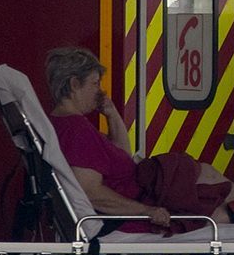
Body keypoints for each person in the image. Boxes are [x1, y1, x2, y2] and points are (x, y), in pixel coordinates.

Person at [43, 46, 170, 230]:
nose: (100, 91)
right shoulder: (76, 130)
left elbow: (122, 157)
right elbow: (91, 191)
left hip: (138, 198)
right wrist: (146, 211)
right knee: (213, 193)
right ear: (74, 84)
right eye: (95, 83)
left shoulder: (62, 123)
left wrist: (111, 113)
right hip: (131, 214)